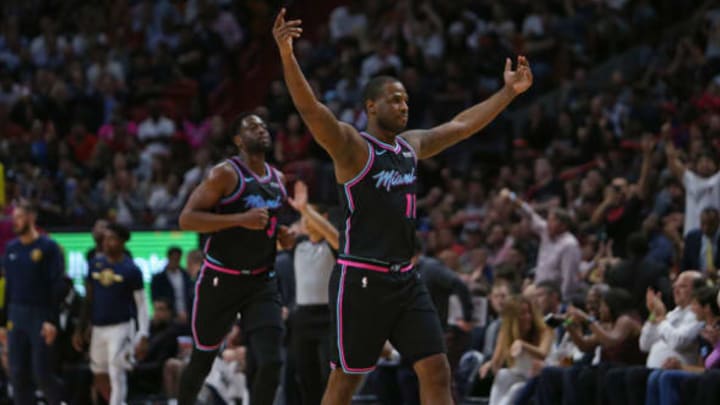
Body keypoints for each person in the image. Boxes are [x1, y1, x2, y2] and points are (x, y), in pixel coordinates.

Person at [273, 8, 533, 404]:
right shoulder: (352, 147)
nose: (403, 105)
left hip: (405, 279)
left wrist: (508, 93)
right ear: (371, 107)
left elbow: (461, 126)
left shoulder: (410, 146)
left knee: (436, 368)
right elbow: (312, 110)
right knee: (345, 384)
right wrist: (287, 56)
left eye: (406, 99)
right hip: (361, 280)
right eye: (394, 100)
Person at [177, 112, 294, 405]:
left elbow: (266, 224)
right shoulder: (225, 174)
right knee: (202, 360)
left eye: (264, 126)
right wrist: (240, 219)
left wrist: (281, 235)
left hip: (261, 281)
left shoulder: (278, 179)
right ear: (238, 140)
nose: (261, 129)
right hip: (221, 279)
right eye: (252, 127)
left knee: (271, 361)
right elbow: (187, 219)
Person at [73, 223, 150, 405]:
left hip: (122, 326)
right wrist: (81, 327)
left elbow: (142, 304)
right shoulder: (94, 265)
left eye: (112, 239)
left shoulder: (131, 269)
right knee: (99, 373)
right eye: (105, 239)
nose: (107, 243)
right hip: (99, 327)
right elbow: (88, 299)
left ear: (122, 242)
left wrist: (143, 333)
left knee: (117, 372)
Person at [0, 202, 64, 405]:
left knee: (42, 373)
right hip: (16, 315)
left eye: (19, 217)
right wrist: (2, 322)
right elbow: (8, 288)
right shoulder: (11, 249)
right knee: (17, 373)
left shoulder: (49, 247)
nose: (14, 223)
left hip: (40, 314)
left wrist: (51, 320)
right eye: (13, 218)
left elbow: (57, 286)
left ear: (31, 217)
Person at [287, 180, 339, 405]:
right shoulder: (298, 244)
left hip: (327, 317)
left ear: (323, 219)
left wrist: (305, 208)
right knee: (305, 378)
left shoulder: (333, 244)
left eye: (310, 218)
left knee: (329, 376)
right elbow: (274, 244)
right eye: (303, 219)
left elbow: (333, 235)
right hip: (302, 318)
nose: (305, 223)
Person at [501, 189, 582, 300]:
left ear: (563, 225)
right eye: (548, 220)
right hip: (540, 286)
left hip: (555, 293)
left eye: (552, 221)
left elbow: (569, 277)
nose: (547, 224)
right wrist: (512, 197)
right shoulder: (547, 232)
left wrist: (563, 301)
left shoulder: (569, 244)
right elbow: (529, 214)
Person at [151, 246, 194, 326]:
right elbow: (156, 299)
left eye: (177, 259)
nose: (175, 261)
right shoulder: (158, 278)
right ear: (168, 258)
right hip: (167, 319)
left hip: (187, 317)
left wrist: (187, 313)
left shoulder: (187, 275)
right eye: (173, 258)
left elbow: (191, 295)